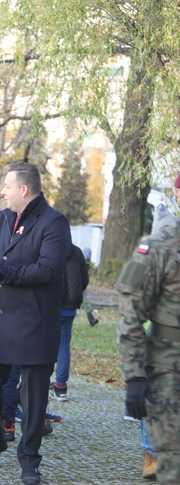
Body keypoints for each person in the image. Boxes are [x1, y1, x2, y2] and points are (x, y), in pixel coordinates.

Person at [0, 162, 71, 485]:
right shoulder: (3, 218)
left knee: (32, 398)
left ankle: (29, 460)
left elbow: (46, 270)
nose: (3, 192)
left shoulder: (54, 222)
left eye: (7, 187)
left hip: (35, 321)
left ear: (24, 189)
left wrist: (0, 271)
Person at [116, 204, 180, 483]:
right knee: (173, 467)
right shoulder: (159, 248)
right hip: (170, 374)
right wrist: (134, 376)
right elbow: (131, 313)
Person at [50, 243, 89, 402]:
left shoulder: (49, 247)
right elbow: (84, 279)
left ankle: (41, 382)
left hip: (50, 305)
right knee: (63, 345)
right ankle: (60, 387)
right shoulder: (76, 251)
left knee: (43, 345)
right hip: (69, 306)